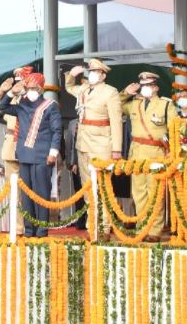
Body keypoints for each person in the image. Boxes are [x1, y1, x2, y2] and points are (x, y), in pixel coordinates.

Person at [0, 73, 62, 238]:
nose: (30, 91)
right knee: (26, 195)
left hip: (42, 156)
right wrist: (12, 93)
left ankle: (41, 229)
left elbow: (57, 131)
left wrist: (53, 153)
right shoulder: (22, 105)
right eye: (28, 88)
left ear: (40, 89)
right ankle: (29, 229)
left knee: (41, 193)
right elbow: (2, 107)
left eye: (33, 88)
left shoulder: (50, 105)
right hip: (24, 155)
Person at [64, 59, 122, 238]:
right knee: (88, 188)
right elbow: (69, 88)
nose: (93, 73)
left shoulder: (110, 92)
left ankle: (103, 228)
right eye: (91, 70)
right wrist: (72, 76)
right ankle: (93, 227)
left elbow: (116, 122)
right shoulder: (83, 89)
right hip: (83, 144)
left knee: (103, 189)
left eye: (97, 71)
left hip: (101, 145)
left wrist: (117, 149)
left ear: (103, 74)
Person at [121, 71, 177, 242]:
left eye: (149, 85)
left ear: (156, 87)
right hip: (136, 152)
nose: (145, 88)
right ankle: (142, 227)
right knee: (138, 193)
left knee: (155, 193)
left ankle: (155, 230)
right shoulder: (134, 104)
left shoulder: (166, 105)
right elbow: (116, 106)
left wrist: (171, 153)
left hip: (156, 153)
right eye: (143, 85)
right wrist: (126, 93)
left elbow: (174, 131)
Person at [0, 65, 34, 234]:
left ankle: (32, 227)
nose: (18, 84)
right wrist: (2, 90)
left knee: (30, 190)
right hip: (10, 146)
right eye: (17, 81)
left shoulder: (34, 99)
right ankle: (18, 228)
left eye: (22, 80)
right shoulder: (10, 100)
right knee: (13, 191)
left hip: (28, 145)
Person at [65, 117, 87, 230]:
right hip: (77, 162)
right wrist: (71, 162)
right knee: (79, 194)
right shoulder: (73, 123)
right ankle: (81, 220)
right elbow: (70, 143)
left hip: (92, 160)